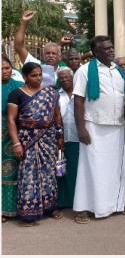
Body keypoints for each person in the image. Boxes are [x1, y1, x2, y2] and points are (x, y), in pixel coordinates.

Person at [72, 36, 125, 224]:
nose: (111, 51)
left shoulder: (118, 71)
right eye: (106, 49)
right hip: (94, 126)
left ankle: (117, 204)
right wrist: (81, 129)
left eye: (111, 47)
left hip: (117, 125)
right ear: (96, 52)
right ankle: (84, 207)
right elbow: (79, 100)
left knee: (117, 168)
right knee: (91, 169)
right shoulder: (84, 71)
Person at [7, 62, 64, 226]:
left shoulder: (50, 93)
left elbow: (57, 116)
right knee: (28, 175)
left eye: (40, 74)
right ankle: (28, 214)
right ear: (25, 77)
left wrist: (60, 137)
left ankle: (50, 208)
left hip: (48, 137)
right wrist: (16, 143)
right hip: (27, 138)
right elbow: (11, 120)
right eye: (34, 75)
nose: (38, 78)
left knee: (49, 173)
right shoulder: (16, 94)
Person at [13, 10, 66, 87]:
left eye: (54, 53)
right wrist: (24, 23)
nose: (50, 56)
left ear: (60, 57)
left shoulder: (65, 70)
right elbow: (18, 46)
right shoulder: (36, 65)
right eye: (47, 53)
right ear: (43, 55)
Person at [2, 55, 23, 223]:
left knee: (11, 171)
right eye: (1, 69)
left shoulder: (18, 87)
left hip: (12, 137)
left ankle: (10, 209)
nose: (4, 72)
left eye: (7, 68)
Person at [56, 68, 80, 209]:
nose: (65, 80)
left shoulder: (80, 93)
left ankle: (76, 200)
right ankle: (65, 201)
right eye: (62, 78)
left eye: (67, 78)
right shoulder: (56, 95)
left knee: (76, 171)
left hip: (79, 138)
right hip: (63, 138)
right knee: (63, 171)